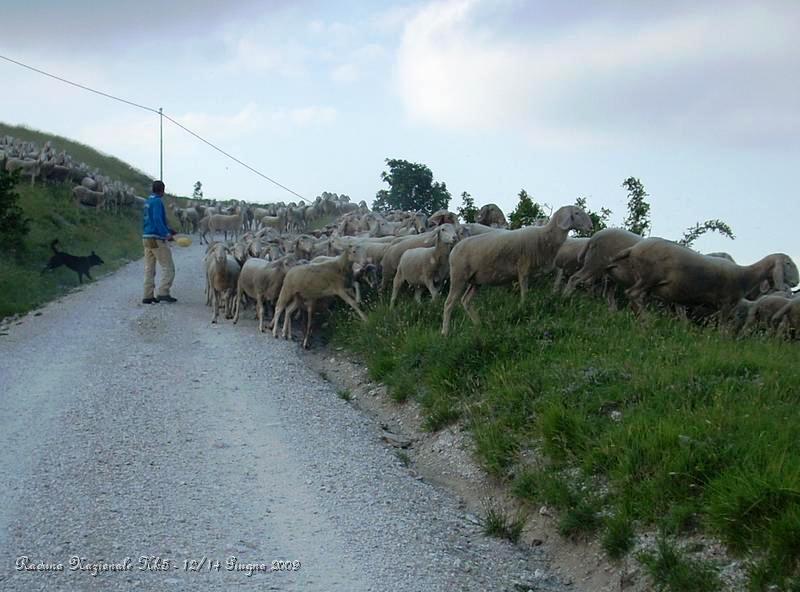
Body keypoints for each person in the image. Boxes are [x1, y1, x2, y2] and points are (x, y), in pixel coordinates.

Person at [142, 180, 177, 304]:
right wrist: (166, 234)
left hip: (146, 237)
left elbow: (150, 220)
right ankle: (163, 292)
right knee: (168, 266)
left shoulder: (148, 201)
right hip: (156, 238)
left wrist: (168, 229)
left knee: (149, 267)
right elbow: (157, 219)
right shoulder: (157, 202)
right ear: (162, 190)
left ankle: (147, 295)